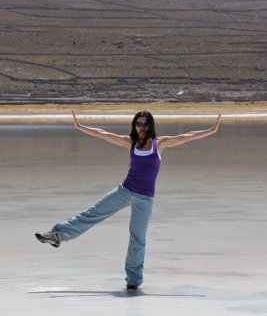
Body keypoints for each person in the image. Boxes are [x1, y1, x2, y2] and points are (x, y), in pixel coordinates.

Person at [35, 110, 221, 291]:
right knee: (92, 214)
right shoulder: (129, 142)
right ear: (135, 125)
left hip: (145, 199)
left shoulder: (160, 143)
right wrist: (80, 126)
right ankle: (57, 235)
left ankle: (133, 280)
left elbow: (187, 136)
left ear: (151, 126)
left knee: (137, 238)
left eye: (145, 124)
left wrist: (211, 130)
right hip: (124, 191)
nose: (142, 127)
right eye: (139, 123)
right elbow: (103, 134)